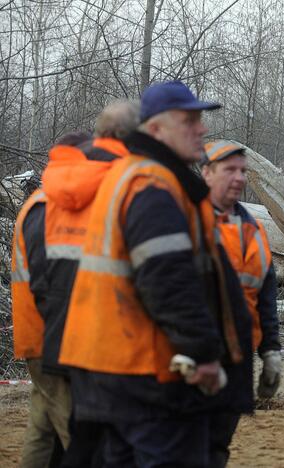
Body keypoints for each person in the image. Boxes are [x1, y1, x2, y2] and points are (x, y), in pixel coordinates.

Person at [58, 81, 253, 467]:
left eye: (201, 119)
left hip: (114, 372)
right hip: (148, 377)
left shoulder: (133, 175)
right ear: (156, 129)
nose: (202, 129)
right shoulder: (153, 185)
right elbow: (167, 279)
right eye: (189, 119)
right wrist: (203, 353)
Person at [11, 101, 139, 468]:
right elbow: (52, 281)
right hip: (52, 340)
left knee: (42, 427)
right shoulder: (47, 207)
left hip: (43, 336)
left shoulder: (42, 203)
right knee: (78, 437)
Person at [201, 140, 282, 465]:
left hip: (238, 355)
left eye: (243, 171)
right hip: (193, 357)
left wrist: (271, 352)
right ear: (206, 173)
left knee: (219, 443)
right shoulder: (185, 223)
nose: (239, 178)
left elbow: (265, 296)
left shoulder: (254, 229)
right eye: (229, 170)